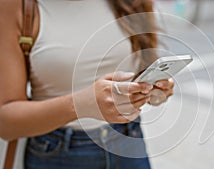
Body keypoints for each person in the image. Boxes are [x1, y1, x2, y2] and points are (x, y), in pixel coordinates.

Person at [0, 0, 174, 168]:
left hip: (129, 139)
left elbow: (141, 67)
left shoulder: (133, 2)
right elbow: (6, 123)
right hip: (59, 153)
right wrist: (80, 105)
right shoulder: (17, 5)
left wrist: (152, 90)